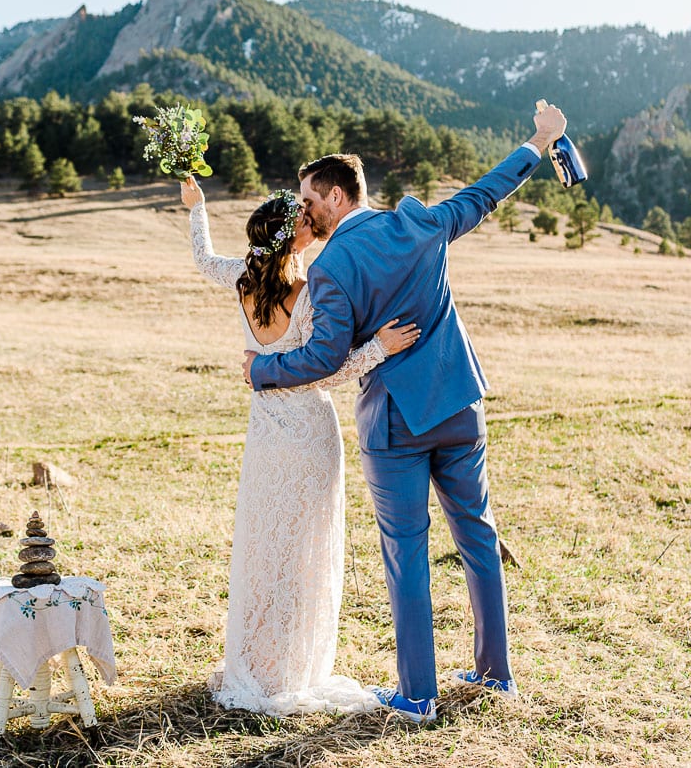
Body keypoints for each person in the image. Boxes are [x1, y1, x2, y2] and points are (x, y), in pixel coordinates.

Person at [243, 103, 570, 722]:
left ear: (337, 197)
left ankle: (418, 696)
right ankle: (495, 674)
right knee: (478, 537)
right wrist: (538, 141)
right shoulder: (422, 225)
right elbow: (486, 192)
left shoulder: (332, 265)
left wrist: (262, 370)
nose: (303, 209)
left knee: (406, 553)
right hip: (458, 403)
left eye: (310, 199)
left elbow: (321, 357)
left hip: (394, 424)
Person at [180, 176, 419, 716]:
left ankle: (260, 661)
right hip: (309, 436)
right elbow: (323, 371)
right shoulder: (309, 293)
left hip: (265, 436)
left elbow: (202, 258)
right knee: (304, 552)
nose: (313, 225)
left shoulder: (243, 280)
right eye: (306, 222)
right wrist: (379, 347)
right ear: (295, 238)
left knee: (267, 546)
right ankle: (293, 669)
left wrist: (197, 208)